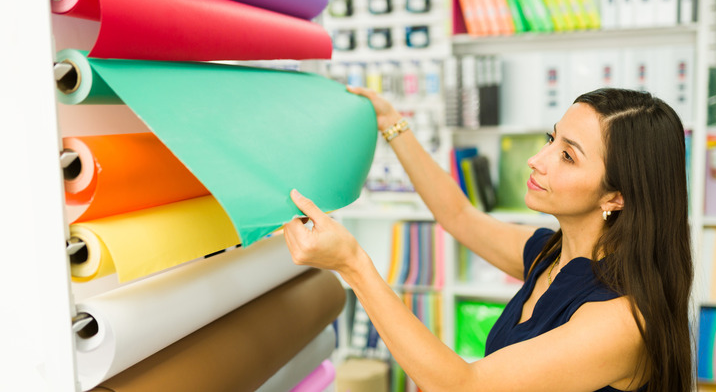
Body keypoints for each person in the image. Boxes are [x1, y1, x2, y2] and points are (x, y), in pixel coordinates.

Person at [283, 86, 693, 392]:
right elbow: (459, 217)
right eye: (552, 139)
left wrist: (352, 264)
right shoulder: (552, 255)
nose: (537, 160)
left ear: (615, 196)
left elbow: (463, 387)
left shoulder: (620, 321)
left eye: (567, 155)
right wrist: (392, 123)